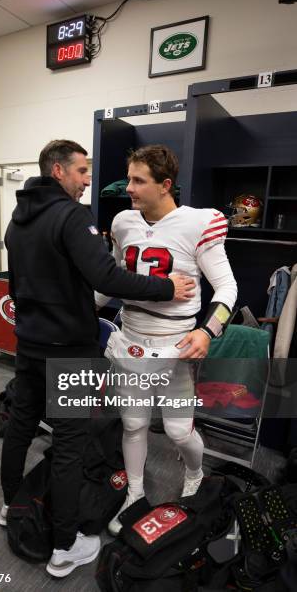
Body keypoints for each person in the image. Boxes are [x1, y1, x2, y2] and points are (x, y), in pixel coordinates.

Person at [0, 139, 193, 579]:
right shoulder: (70, 216)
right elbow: (105, 275)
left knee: (21, 428)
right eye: (82, 171)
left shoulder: (18, 219)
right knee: (68, 447)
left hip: (28, 345)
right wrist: (167, 289)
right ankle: (65, 547)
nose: (89, 180)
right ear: (58, 172)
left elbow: (17, 285)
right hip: (67, 352)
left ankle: (12, 506)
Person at [95, 144, 237, 536]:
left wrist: (208, 330)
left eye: (139, 181)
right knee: (133, 424)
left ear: (165, 184)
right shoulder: (123, 222)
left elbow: (226, 287)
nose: (130, 189)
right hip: (131, 338)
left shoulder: (197, 222)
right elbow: (111, 283)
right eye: (129, 179)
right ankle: (136, 493)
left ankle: (195, 471)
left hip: (175, 343)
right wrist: (81, 310)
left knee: (177, 431)